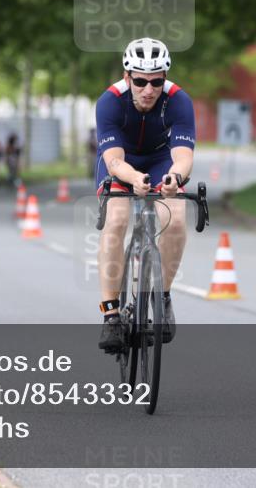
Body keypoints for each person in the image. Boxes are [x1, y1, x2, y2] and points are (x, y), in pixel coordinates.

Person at [94, 38, 196, 353]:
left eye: (156, 81)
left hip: (159, 159)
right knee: (117, 219)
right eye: (140, 81)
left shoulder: (179, 100)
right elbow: (113, 161)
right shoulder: (110, 101)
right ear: (127, 77)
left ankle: (162, 297)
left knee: (176, 219)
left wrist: (174, 178)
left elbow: (183, 156)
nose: (148, 89)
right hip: (121, 163)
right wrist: (135, 179)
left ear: (165, 78)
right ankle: (111, 315)